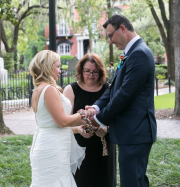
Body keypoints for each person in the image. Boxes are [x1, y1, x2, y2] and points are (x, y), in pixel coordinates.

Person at [86, 14, 157, 187]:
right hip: (131, 132)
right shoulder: (130, 53)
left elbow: (124, 95)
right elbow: (113, 89)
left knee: (131, 182)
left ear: (123, 29)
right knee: (136, 181)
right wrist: (96, 107)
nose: (110, 41)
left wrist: (99, 119)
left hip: (136, 131)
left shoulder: (139, 54)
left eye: (111, 35)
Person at [29, 50, 86, 187]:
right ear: (48, 67)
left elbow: (52, 124)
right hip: (53, 149)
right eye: (58, 66)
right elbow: (62, 122)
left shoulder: (37, 89)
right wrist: (83, 114)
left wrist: (78, 129)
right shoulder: (49, 89)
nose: (60, 71)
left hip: (47, 143)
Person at [63, 53, 117, 187]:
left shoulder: (108, 90)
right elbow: (63, 123)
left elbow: (118, 119)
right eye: (87, 71)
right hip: (79, 147)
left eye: (95, 72)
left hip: (104, 148)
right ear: (81, 71)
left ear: (101, 72)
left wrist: (106, 128)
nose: (90, 75)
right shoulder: (71, 90)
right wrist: (78, 130)